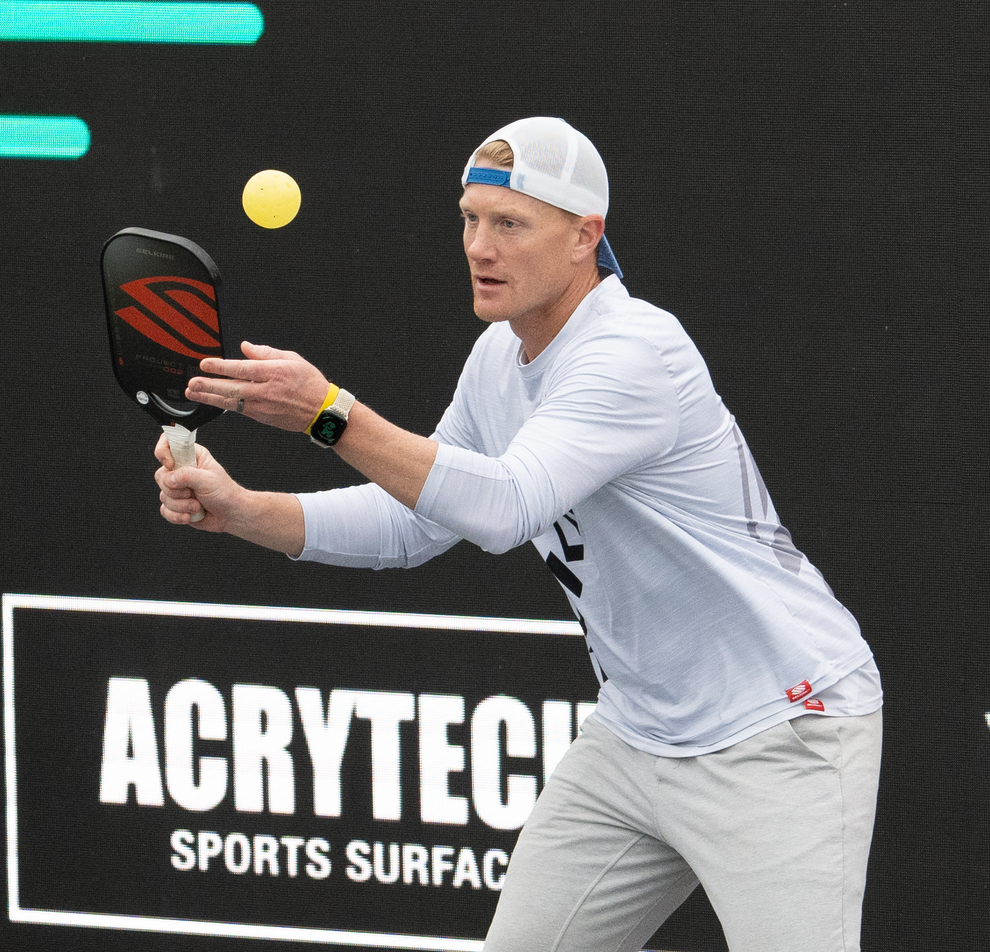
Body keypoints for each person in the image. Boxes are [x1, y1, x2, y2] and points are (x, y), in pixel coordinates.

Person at [155, 117, 883, 952]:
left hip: (779, 730)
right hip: (634, 738)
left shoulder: (634, 351)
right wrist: (244, 509)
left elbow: (506, 506)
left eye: (510, 224)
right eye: (469, 219)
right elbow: (415, 520)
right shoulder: (498, 359)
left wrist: (329, 414)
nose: (479, 246)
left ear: (585, 237)